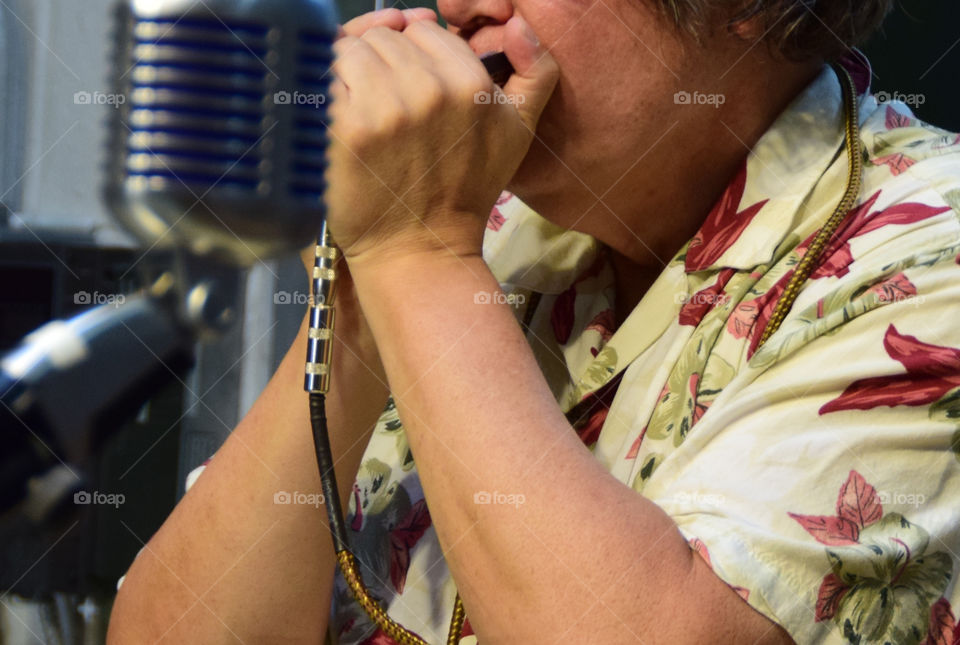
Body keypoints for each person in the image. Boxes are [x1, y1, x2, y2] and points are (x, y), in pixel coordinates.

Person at [108, 0, 960, 643]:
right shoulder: (490, 226)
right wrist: (367, 302)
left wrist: (418, 255)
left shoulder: (931, 252)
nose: (460, 6)